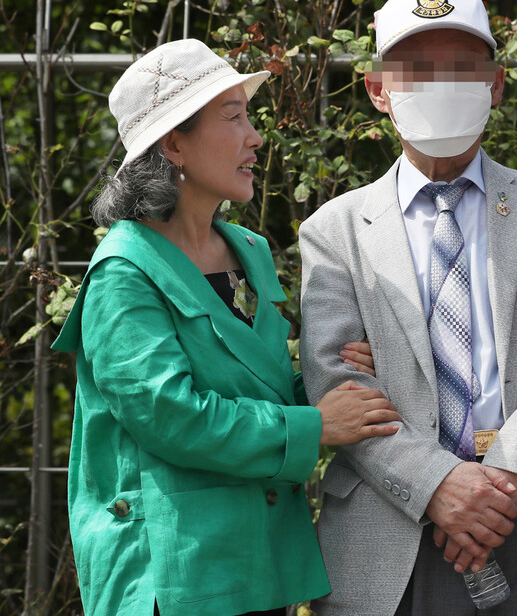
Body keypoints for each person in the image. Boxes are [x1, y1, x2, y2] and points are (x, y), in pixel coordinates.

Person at [51, 38, 400, 616]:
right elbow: (171, 416)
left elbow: (256, 384)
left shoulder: (249, 250)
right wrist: (316, 425)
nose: (255, 136)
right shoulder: (124, 271)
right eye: (233, 116)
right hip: (173, 575)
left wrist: (329, 379)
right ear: (174, 143)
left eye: (250, 116)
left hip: (262, 564)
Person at [298, 0, 517, 616]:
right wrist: (438, 484)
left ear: (495, 83)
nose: (440, 85)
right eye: (416, 69)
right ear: (378, 91)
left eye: (462, 68)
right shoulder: (335, 229)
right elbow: (334, 381)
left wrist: (504, 479)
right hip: (389, 535)